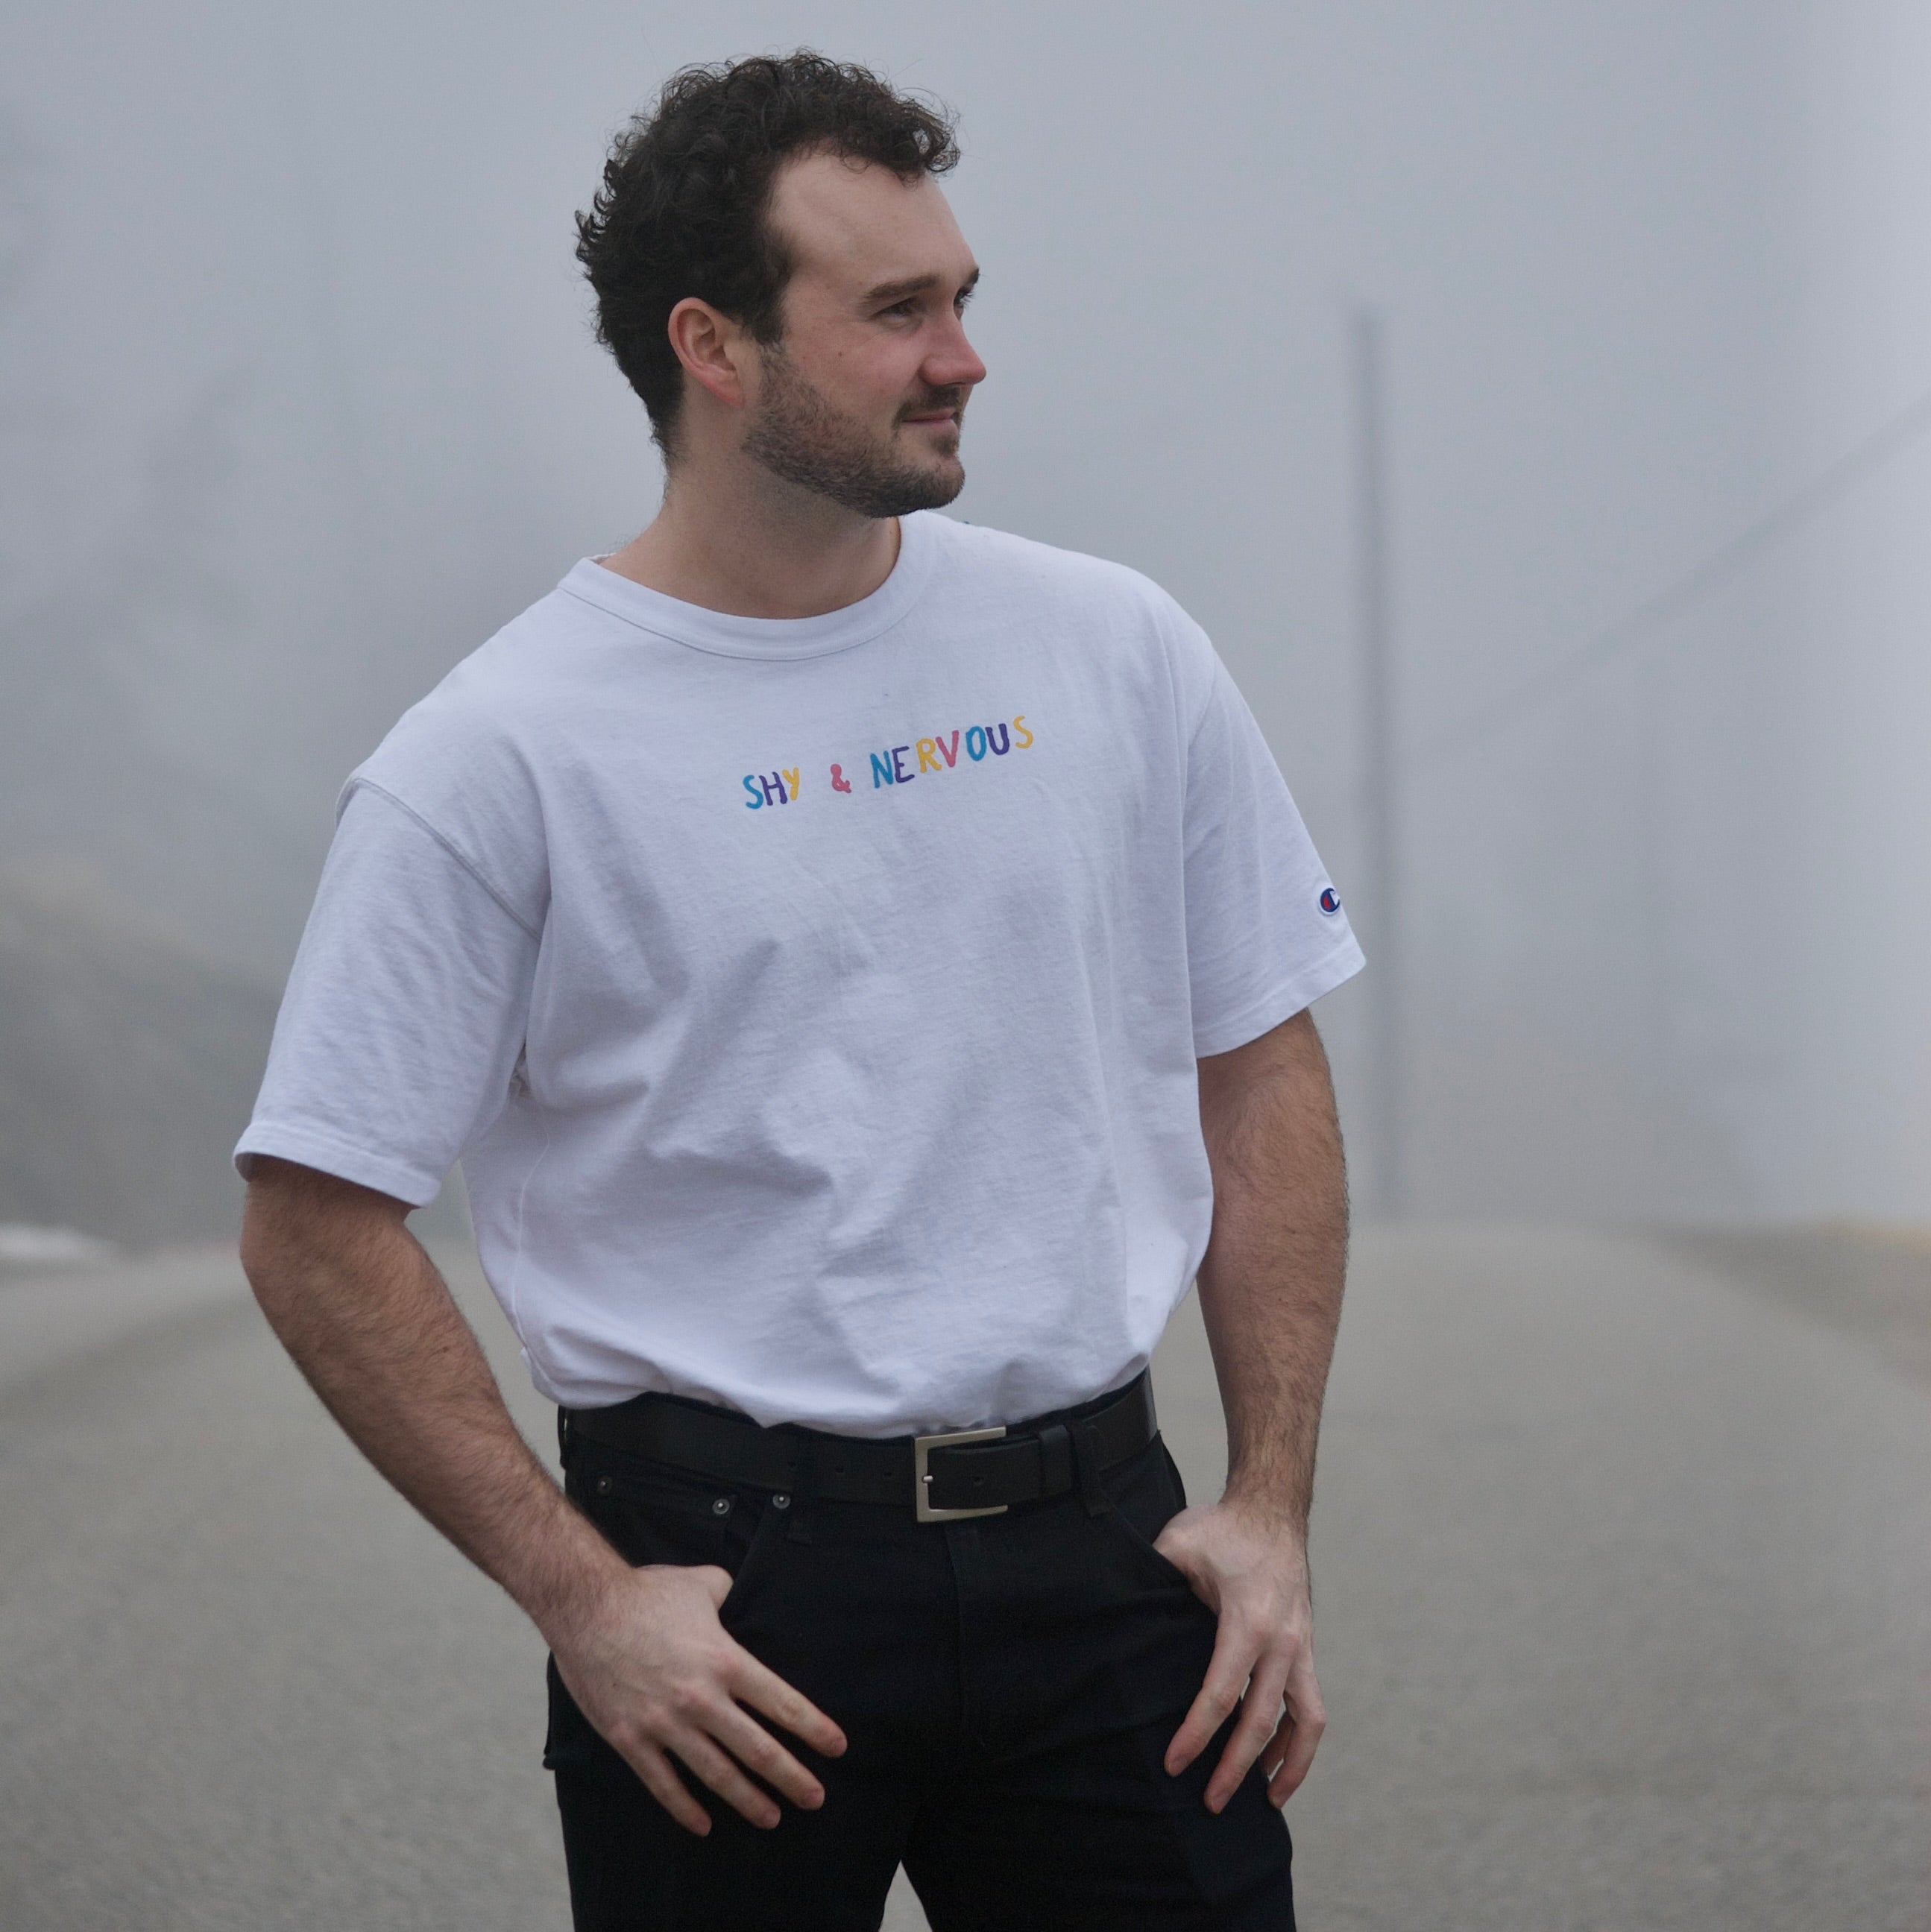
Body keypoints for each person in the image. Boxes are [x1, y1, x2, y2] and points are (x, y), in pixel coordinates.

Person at [236, 50, 1362, 1932]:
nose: (964, 357)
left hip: (1106, 1554)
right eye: (897, 311)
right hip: (728, 1605)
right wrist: (584, 1599)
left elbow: (1258, 1059)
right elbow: (314, 1219)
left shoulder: (1111, 648)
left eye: (964, 299)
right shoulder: (502, 754)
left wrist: (1268, 1510)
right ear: (717, 346)